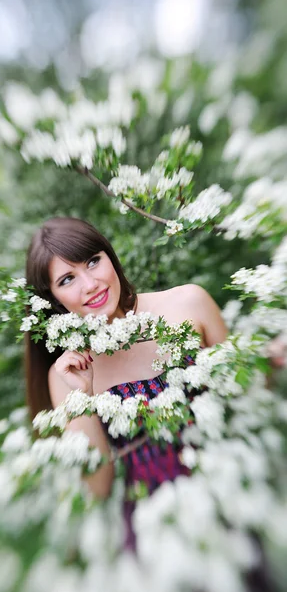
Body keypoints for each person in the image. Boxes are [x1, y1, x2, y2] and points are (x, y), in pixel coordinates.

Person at [25, 216, 228, 547]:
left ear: (110, 256)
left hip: (226, 495)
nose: (90, 284)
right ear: (54, 299)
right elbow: (99, 487)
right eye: (67, 279)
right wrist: (84, 400)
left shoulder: (188, 304)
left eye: (93, 261)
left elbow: (246, 394)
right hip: (152, 530)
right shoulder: (66, 374)